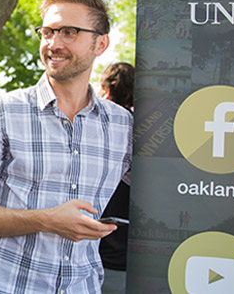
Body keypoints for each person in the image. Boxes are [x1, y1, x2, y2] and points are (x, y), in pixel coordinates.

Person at [0, 0, 132, 293]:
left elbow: (157, 194)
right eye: (47, 32)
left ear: (101, 44)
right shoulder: (2, 111)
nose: (53, 44)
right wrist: (46, 219)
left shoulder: (122, 125)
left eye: (69, 32)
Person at [96, 62, 134, 294]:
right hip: (132, 260)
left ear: (107, 92)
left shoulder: (94, 129)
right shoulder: (148, 133)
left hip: (100, 256)